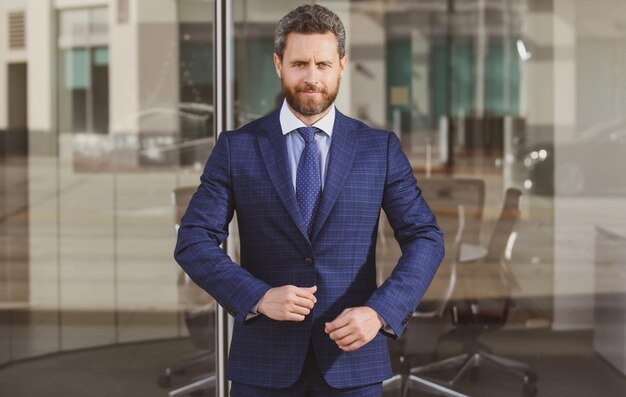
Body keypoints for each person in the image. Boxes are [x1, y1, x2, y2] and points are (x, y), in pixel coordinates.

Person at [174, 4, 444, 396]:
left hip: (351, 357)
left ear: (342, 66)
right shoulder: (238, 148)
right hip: (263, 361)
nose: (312, 77)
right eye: (300, 64)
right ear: (278, 65)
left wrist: (379, 311)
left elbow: (426, 237)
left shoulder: (378, 149)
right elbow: (194, 240)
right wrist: (259, 297)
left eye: (323, 64)